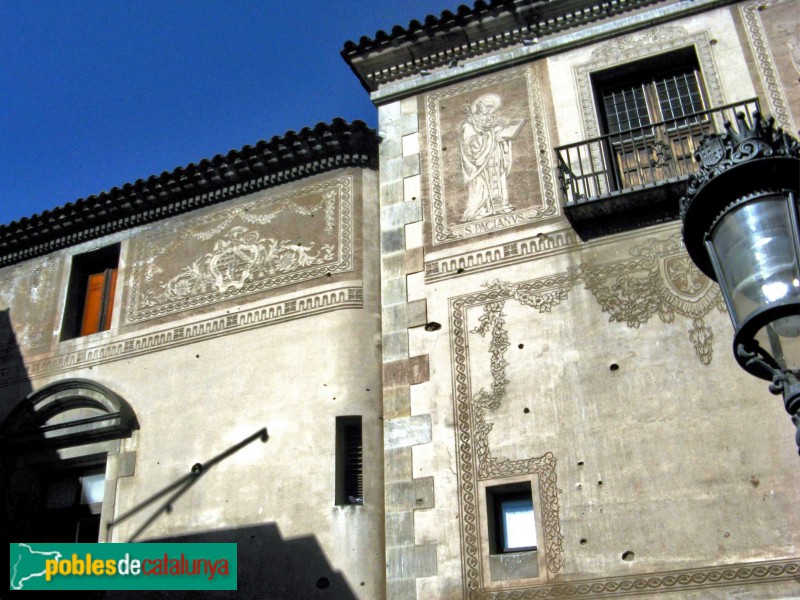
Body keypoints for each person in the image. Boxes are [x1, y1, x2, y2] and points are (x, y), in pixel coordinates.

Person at [460, 93, 523, 221]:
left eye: (490, 107)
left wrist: (504, 136)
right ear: (478, 106)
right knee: (482, 185)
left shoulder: (492, 120)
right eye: (486, 106)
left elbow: (497, 134)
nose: (488, 109)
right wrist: (493, 132)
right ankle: (482, 209)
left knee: (499, 179)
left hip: (495, 155)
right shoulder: (469, 124)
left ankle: (501, 206)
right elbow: (471, 144)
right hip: (482, 162)